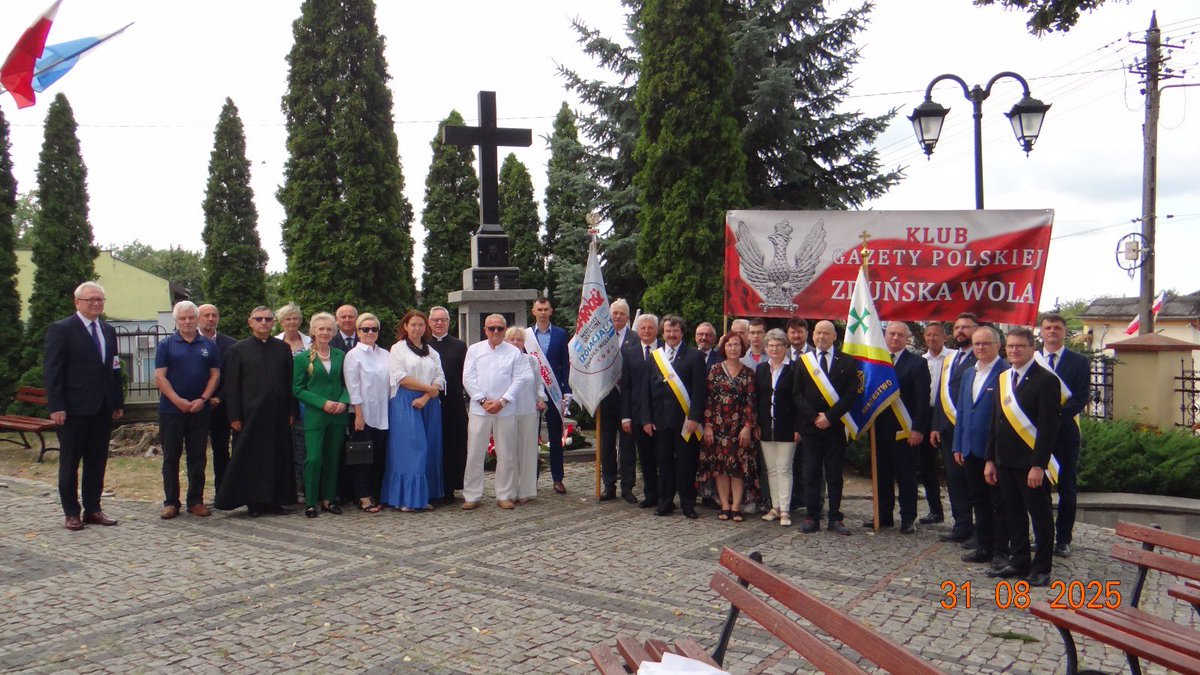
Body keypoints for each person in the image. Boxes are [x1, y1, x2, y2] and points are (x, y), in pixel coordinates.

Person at [44, 281, 124, 531]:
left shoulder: (108, 331)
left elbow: (114, 368)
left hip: (101, 408)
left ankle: (93, 508)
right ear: (77, 302)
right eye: (91, 299)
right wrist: (57, 405)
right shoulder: (62, 329)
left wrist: (117, 401)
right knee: (70, 462)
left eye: (100, 299)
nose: (96, 303)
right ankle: (71, 512)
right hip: (73, 408)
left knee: (96, 461)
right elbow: (53, 370)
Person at [985, 327, 1060, 587]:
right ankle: (1018, 560)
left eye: (1020, 346)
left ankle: (1041, 567)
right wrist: (990, 459)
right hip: (1004, 460)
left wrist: (1039, 465)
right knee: (1013, 513)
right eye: (1011, 346)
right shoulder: (1004, 378)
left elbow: (1049, 428)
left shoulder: (1046, 380)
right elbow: (996, 422)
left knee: (1039, 515)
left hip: (1030, 463)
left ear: (1031, 348)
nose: (1014, 350)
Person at [214, 307, 297, 517]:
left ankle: (276, 500)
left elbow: (290, 383)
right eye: (258, 319)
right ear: (250, 322)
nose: (264, 323)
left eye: (268, 319)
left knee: (278, 457)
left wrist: (291, 410)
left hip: (278, 415)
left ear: (273, 323)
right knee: (252, 460)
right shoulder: (238, 350)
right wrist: (233, 416)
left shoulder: (282, 348)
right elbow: (231, 386)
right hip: (249, 416)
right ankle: (254, 502)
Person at [155, 301, 220, 519]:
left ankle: (196, 501)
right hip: (171, 410)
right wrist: (177, 400)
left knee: (198, 457)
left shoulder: (209, 345)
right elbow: (160, 376)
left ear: (197, 319)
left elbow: (215, 375)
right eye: (182, 318)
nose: (187, 322)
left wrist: (203, 398)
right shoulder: (166, 345)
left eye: (191, 317)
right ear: (176, 321)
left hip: (199, 410)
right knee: (171, 456)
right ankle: (171, 502)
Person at [792, 320, 857, 535]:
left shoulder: (847, 361)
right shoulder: (803, 362)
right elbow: (797, 394)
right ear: (813, 335)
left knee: (834, 474)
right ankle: (812, 516)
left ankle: (835, 517)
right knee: (810, 473)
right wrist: (814, 417)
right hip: (811, 428)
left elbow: (850, 394)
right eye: (818, 333)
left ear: (834, 336)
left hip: (835, 427)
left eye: (826, 333)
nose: (821, 337)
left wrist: (829, 417)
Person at [953, 326, 1010, 570]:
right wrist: (958, 445)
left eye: (986, 344)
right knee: (979, 500)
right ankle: (984, 546)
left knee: (999, 503)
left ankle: (1001, 551)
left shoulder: (1006, 373)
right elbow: (963, 412)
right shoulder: (968, 373)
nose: (980, 348)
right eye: (976, 344)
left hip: (994, 452)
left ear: (998, 346)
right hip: (969, 449)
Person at [866, 322, 931, 534]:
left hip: (905, 429)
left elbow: (923, 400)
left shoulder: (917, 364)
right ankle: (883, 515)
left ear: (907, 339)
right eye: (892, 334)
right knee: (881, 474)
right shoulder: (876, 362)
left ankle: (907, 517)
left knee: (906, 476)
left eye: (900, 335)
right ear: (885, 336)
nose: (895, 338)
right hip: (879, 429)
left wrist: (919, 429)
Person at [462, 314, 530, 510]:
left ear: (504, 329)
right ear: (485, 330)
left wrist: (503, 401)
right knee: (475, 452)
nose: (496, 332)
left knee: (506, 453)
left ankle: (505, 494)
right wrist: (482, 400)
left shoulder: (513, 352)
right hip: (479, 409)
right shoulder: (475, 350)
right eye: (492, 328)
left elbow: (519, 379)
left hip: (505, 409)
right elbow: (468, 377)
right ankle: (472, 495)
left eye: (500, 328)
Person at [641, 315, 706, 519]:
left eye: (675, 331)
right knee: (664, 462)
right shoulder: (655, 357)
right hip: (660, 421)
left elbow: (699, 391)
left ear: (682, 333)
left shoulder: (694, 356)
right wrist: (647, 419)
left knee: (686, 463)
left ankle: (688, 504)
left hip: (685, 422)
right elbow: (646, 390)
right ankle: (665, 502)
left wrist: (694, 417)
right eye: (668, 331)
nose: (671, 335)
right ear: (663, 333)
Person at [382, 309, 445, 511]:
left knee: (430, 447)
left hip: (428, 403)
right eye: (413, 324)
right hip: (406, 401)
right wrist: (428, 390)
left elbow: (440, 378)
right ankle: (406, 498)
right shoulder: (398, 349)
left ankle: (423, 496)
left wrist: (427, 396)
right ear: (405, 327)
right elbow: (401, 377)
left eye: (421, 325)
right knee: (412, 448)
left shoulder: (431, 351)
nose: (417, 328)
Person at [1039, 313, 1089, 558]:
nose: (1052, 332)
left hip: (1066, 432)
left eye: (1057, 328)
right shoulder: (1033, 359)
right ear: (1041, 331)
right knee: (1040, 486)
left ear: (1064, 332)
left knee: (1067, 486)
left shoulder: (1079, 361)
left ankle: (1063, 539)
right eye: (1047, 327)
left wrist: (1053, 418)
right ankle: (1043, 536)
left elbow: (1080, 397)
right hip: (1034, 433)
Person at [292, 312, 350, 518]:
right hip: (316, 414)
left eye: (328, 329)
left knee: (333, 457)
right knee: (314, 458)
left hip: (338, 414)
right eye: (321, 329)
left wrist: (343, 401)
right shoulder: (301, 358)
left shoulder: (340, 356)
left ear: (333, 332)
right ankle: (310, 501)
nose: (325, 332)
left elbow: (347, 383)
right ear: (313, 332)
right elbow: (297, 389)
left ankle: (328, 499)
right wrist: (322, 403)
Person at [930, 313, 981, 544]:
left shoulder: (980, 359)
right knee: (955, 480)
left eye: (966, 327)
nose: (961, 331)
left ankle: (980, 530)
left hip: (970, 430)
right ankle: (961, 525)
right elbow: (942, 393)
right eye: (957, 327)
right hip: (949, 430)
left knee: (974, 482)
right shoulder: (951, 358)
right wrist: (936, 426)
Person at [698, 332, 757, 522]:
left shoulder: (748, 373)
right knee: (721, 468)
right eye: (730, 345)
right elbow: (707, 400)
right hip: (717, 426)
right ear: (724, 348)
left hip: (739, 428)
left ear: (742, 348)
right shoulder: (714, 370)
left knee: (737, 468)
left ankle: (736, 506)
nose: (733, 348)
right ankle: (724, 505)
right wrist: (707, 426)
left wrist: (747, 426)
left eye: (737, 345)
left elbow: (751, 402)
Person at [343, 312, 389, 513]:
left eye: (374, 329)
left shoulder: (386, 354)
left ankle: (376, 493)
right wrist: (359, 415)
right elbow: (353, 387)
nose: (370, 332)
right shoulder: (353, 355)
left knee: (379, 456)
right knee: (363, 457)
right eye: (365, 329)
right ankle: (362, 496)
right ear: (358, 331)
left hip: (384, 413)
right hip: (363, 413)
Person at [756, 330, 798, 526]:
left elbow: (799, 400)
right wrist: (756, 424)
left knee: (784, 469)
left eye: (779, 345)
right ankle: (775, 507)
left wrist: (799, 428)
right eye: (771, 345)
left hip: (787, 427)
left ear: (785, 347)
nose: (774, 349)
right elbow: (757, 399)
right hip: (766, 426)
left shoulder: (795, 369)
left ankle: (786, 510)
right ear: (766, 348)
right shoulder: (761, 369)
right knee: (771, 470)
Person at [530, 297, 571, 494]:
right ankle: (531, 480)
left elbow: (565, 365)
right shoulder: (527, 336)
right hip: (532, 394)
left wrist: (566, 392)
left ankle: (558, 479)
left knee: (556, 438)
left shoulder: (561, 334)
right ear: (534, 311)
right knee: (531, 438)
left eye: (546, 309)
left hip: (554, 393)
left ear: (551, 311)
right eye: (540, 309)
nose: (543, 312)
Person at [598, 299, 638, 502]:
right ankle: (609, 484)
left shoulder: (635, 338)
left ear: (628, 317)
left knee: (627, 446)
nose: (617, 317)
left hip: (627, 400)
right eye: (614, 313)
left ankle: (628, 486)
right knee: (606, 444)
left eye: (622, 313)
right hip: (606, 398)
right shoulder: (600, 338)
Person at [428, 306, 468, 504]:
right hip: (430, 402)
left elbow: (465, 375)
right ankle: (433, 487)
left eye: (442, 320)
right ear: (429, 322)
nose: (439, 323)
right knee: (433, 445)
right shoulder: (423, 344)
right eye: (435, 320)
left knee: (453, 445)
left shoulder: (459, 346)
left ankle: (451, 487)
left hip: (453, 403)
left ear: (448, 322)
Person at [621, 313, 662, 509]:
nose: (646, 331)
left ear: (657, 330)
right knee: (645, 457)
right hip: (637, 414)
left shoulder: (665, 350)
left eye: (650, 328)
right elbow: (626, 387)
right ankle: (651, 493)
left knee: (663, 456)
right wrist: (625, 416)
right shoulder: (630, 352)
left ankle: (666, 494)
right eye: (643, 328)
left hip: (662, 413)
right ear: (638, 331)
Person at [197, 303, 237, 493]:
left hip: (221, 406)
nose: (211, 318)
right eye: (206, 315)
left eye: (214, 315)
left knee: (221, 450)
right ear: (198, 318)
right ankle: (196, 496)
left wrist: (218, 397)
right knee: (196, 453)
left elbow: (232, 376)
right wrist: (203, 398)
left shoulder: (230, 344)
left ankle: (222, 492)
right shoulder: (190, 340)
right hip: (196, 405)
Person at [275, 302, 312, 500]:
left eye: (295, 318)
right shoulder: (274, 342)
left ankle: (305, 486)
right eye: (287, 318)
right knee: (286, 445)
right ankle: (289, 487)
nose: (291, 322)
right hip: (282, 400)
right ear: (281, 322)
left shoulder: (310, 342)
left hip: (305, 401)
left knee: (303, 445)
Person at [505, 327, 546, 503]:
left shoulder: (531, 361)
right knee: (510, 451)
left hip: (529, 410)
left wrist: (541, 398)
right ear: (506, 341)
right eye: (512, 340)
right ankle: (510, 490)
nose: (516, 343)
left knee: (528, 451)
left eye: (519, 340)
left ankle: (526, 490)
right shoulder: (502, 361)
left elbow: (539, 384)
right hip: (508, 411)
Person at [918, 322, 949, 525]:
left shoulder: (953, 358)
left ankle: (963, 516)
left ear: (944, 337)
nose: (932, 338)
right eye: (928, 335)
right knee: (926, 464)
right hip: (926, 413)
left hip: (948, 414)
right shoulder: (921, 361)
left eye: (936, 335)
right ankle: (935, 510)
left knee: (951, 464)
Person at [785, 318, 812, 514]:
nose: (796, 335)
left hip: (810, 416)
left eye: (799, 331)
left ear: (806, 333)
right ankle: (793, 498)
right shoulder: (781, 353)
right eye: (792, 332)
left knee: (811, 461)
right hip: (788, 415)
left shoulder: (815, 354)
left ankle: (813, 499)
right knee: (790, 462)